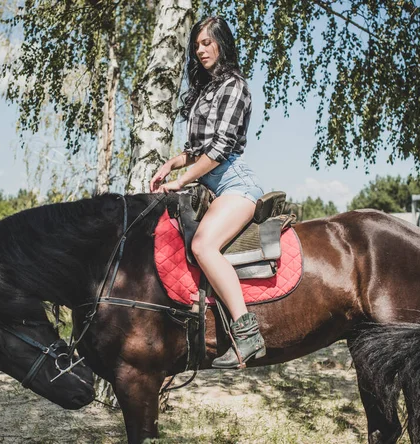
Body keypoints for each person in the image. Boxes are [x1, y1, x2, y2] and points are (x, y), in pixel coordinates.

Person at [149, 16, 266, 369]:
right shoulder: (204, 90)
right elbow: (197, 149)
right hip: (211, 183)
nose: (200, 50)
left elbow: (219, 151)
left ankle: (248, 335)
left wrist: (182, 180)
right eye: (196, 44)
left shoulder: (235, 86)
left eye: (207, 42)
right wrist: (172, 163)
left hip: (235, 183)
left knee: (203, 245)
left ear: (222, 44)